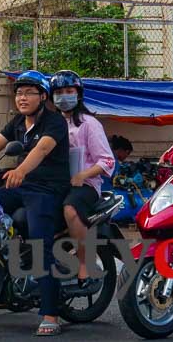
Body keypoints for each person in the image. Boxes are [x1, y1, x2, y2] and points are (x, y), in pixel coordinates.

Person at [0, 70, 71, 337]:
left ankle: (50, 312)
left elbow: (42, 149)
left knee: (40, 243)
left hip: (47, 191)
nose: (22, 97)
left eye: (29, 92)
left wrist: (21, 171)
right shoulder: (16, 122)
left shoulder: (54, 122)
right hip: (21, 187)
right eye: (19, 92)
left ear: (43, 96)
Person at [50, 70, 115, 294]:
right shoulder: (49, 123)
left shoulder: (89, 124)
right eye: (58, 92)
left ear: (78, 94)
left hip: (85, 185)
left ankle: (84, 265)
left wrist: (82, 175)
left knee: (70, 210)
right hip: (56, 184)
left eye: (69, 91)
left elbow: (107, 161)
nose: (64, 96)